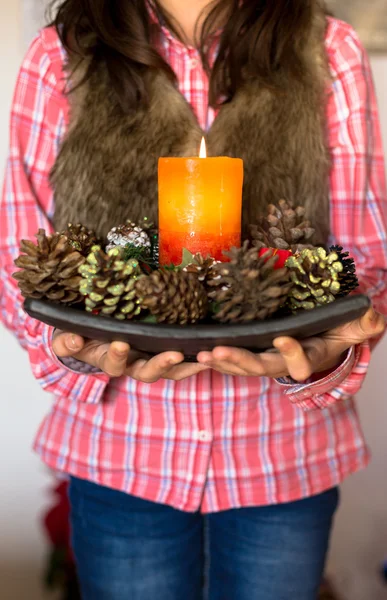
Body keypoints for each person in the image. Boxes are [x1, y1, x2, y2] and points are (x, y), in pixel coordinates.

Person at [1, 0, 386, 598]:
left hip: (282, 460)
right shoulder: (61, 55)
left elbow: (366, 260)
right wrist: (75, 348)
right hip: (121, 456)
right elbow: (20, 259)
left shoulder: (327, 49)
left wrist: (321, 351)